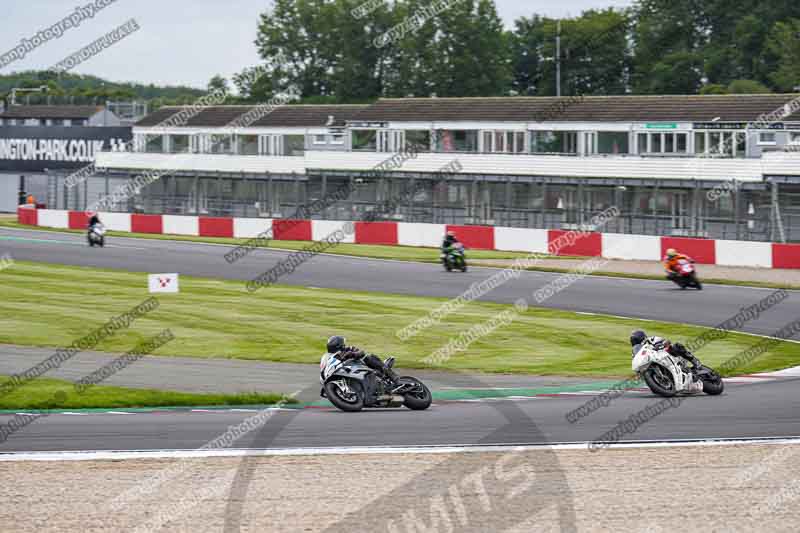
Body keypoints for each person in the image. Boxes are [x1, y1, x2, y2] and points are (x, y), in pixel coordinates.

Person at [323, 335, 398, 383]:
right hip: (348, 372)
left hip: (361, 367)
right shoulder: (331, 357)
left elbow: (361, 352)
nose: (344, 344)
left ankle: (391, 374)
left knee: (368, 357)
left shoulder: (349, 349)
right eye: (343, 343)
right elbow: (326, 366)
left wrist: (353, 354)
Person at [630, 330, 702, 369]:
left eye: (635, 340)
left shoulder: (651, 339)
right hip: (653, 363)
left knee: (676, 346)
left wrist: (660, 345)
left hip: (665, 355)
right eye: (633, 340)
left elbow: (666, 341)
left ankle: (694, 360)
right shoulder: (635, 352)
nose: (635, 342)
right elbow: (636, 362)